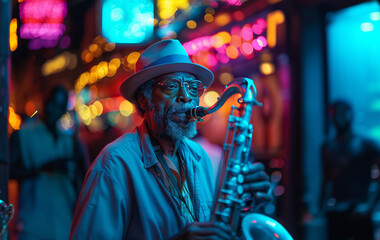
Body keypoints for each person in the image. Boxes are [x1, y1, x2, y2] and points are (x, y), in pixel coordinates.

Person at [70, 39, 271, 239]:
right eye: (171, 86)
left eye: (193, 88)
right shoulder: (114, 164)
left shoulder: (200, 157)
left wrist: (243, 207)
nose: (186, 97)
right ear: (144, 99)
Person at [10, 85, 90, 240]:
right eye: (52, 103)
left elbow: (83, 180)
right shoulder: (23, 135)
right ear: (44, 102)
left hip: (66, 225)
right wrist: (41, 169)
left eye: (60, 106)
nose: (55, 110)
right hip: (31, 227)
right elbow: (8, 172)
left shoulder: (71, 142)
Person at [320, 100, 380, 240]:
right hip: (336, 212)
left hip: (359, 210)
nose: (338, 118)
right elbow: (326, 179)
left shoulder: (366, 143)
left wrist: (369, 206)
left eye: (342, 113)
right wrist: (321, 208)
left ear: (351, 115)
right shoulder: (327, 146)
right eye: (334, 114)